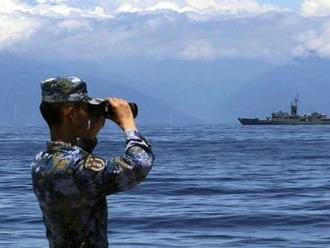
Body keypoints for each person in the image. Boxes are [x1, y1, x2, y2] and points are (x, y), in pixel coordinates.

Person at [31, 76, 155, 247]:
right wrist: (128, 124)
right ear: (73, 114)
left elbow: (72, 170)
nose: (89, 114)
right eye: (86, 108)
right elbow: (139, 164)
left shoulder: (40, 163)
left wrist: (88, 140)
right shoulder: (78, 169)